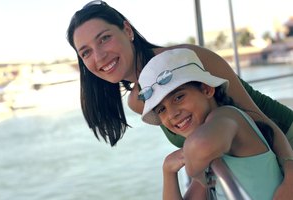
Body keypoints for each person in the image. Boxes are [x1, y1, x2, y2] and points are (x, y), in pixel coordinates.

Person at [66, 1, 293, 198]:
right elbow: (196, 140)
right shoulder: (138, 101)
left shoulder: (186, 61)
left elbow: (260, 120)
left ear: (127, 30)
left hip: (284, 141)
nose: (99, 56)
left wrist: (290, 180)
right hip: (246, 170)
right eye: (85, 52)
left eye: (104, 38)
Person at [138, 48, 283, 199]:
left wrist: (195, 171)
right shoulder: (205, 156)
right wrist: (168, 171)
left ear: (207, 89)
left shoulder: (228, 116)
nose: (172, 114)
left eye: (179, 97)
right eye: (161, 109)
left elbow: (201, 146)